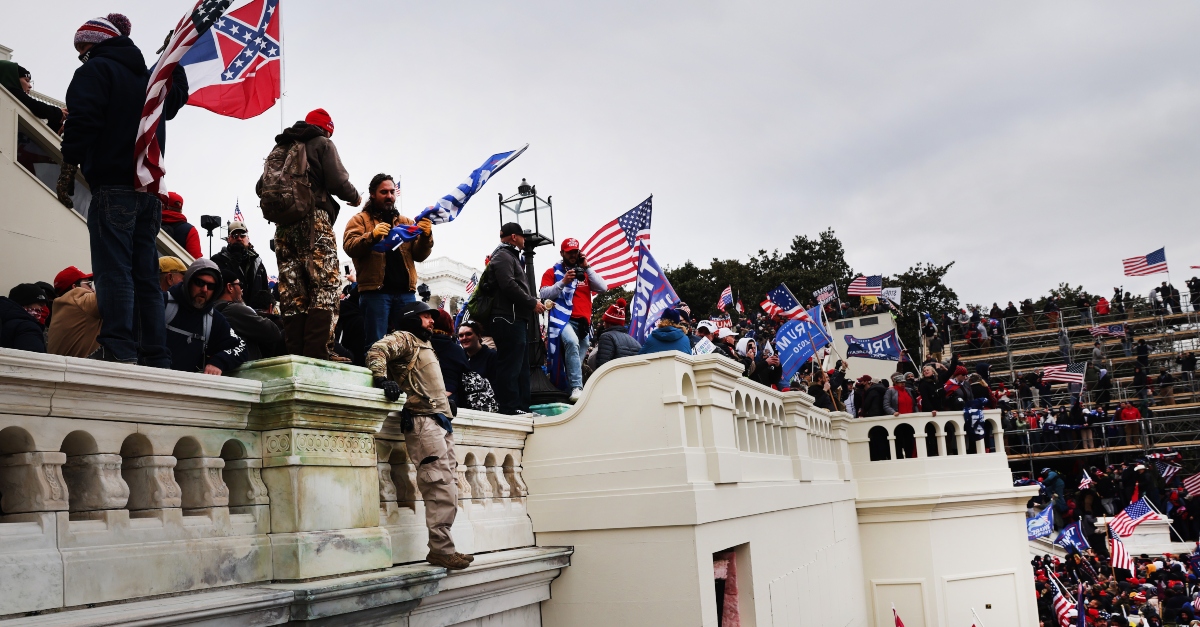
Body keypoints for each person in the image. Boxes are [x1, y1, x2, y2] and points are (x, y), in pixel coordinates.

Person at [62, 13, 189, 366]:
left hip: (113, 186)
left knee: (113, 271)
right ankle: (154, 353)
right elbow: (176, 99)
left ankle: (118, 347)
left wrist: (69, 161)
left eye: (83, 46)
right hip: (148, 194)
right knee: (146, 276)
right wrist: (171, 60)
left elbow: (82, 120)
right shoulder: (150, 78)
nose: (80, 54)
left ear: (98, 42)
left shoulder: (94, 72)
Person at [367, 301, 473, 571]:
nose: (430, 321)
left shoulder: (423, 344)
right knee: (438, 485)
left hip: (439, 421)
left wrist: (446, 406)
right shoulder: (405, 338)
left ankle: (444, 548)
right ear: (411, 319)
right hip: (423, 422)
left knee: (447, 486)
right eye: (425, 316)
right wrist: (382, 379)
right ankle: (441, 551)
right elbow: (377, 351)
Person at [260, 108, 361, 362]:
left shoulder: (280, 148)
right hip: (314, 220)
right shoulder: (322, 143)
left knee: (292, 288)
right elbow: (338, 181)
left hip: (283, 226)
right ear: (327, 128)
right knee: (325, 283)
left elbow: (260, 187)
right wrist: (355, 196)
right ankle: (318, 350)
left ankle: (295, 351)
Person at [343, 173, 433, 356]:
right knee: (376, 343)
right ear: (373, 194)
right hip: (375, 292)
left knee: (408, 343)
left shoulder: (406, 222)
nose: (389, 196)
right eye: (384, 192)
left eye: (392, 192)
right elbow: (350, 246)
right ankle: (379, 381)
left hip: (405, 293)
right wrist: (372, 236)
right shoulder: (360, 220)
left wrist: (426, 236)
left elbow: (419, 255)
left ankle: (402, 382)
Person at [538, 238, 608, 401]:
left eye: (575, 251)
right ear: (562, 253)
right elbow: (543, 294)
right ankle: (577, 387)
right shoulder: (552, 272)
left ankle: (568, 392)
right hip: (563, 319)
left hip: (584, 323)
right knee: (571, 343)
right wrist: (563, 282)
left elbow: (603, 288)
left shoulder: (584, 273)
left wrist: (587, 267)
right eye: (569, 252)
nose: (573, 255)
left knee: (574, 360)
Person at [488, 223, 545, 414]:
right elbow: (508, 285)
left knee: (519, 366)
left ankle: (520, 407)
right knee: (511, 366)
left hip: (513, 318)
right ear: (514, 237)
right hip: (507, 319)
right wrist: (531, 302)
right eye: (522, 237)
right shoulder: (503, 255)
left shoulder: (508, 255)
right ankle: (510, 408)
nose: (524, 241)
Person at [164, 259, 247, 375]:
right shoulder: (163, 303)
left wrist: (219, 361)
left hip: (185, 387)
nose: (204, 289)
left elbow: (240, 347)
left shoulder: (213, 319)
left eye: (211, 286)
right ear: (188, 281)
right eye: (199, 283)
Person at [214, 269, 282, 362]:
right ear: (230, 287)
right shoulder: (235, 310)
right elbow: (274, 332)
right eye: (239, 285)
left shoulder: (213, 309)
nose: (242, 290)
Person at [212, 221, 272, 312]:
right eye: (235, 236)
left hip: (255, 316)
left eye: (242, 235)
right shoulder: (218, 260)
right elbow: (220, 286)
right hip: (230, 313)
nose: (239, 238)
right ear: (228, 239)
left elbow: (265, 291)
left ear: (248, 238)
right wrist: (235, 259)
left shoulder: (258, 263)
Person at [47, 266, 101, 358]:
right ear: (75, 287)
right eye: (89, 284)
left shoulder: (62, 308)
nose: (92, 290)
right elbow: (112, 295)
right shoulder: (77, 298)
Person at [0, 60, 65, 132]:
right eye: (27, 80)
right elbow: (34, 105)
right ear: (12, 78)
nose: (30, 86)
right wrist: (57, 112)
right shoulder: (12, 92)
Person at [591, 299, 640, 369]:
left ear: (610, 323)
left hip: (614, 378)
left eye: (605, 321)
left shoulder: (606, 337)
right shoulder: (634, 340)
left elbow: (602, 366)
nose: (603, 324)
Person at [1, 284, 50, 352]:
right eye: (41, 305)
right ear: (24, 305)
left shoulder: (5, 321)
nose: (45, 309)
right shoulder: (28, 328)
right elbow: (33, 360)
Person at [160, 192, 203, 260]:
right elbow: (196, 260)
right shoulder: (190, 230)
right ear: (180, 209)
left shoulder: (149, 223)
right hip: (179, 270)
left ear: (163, 206)